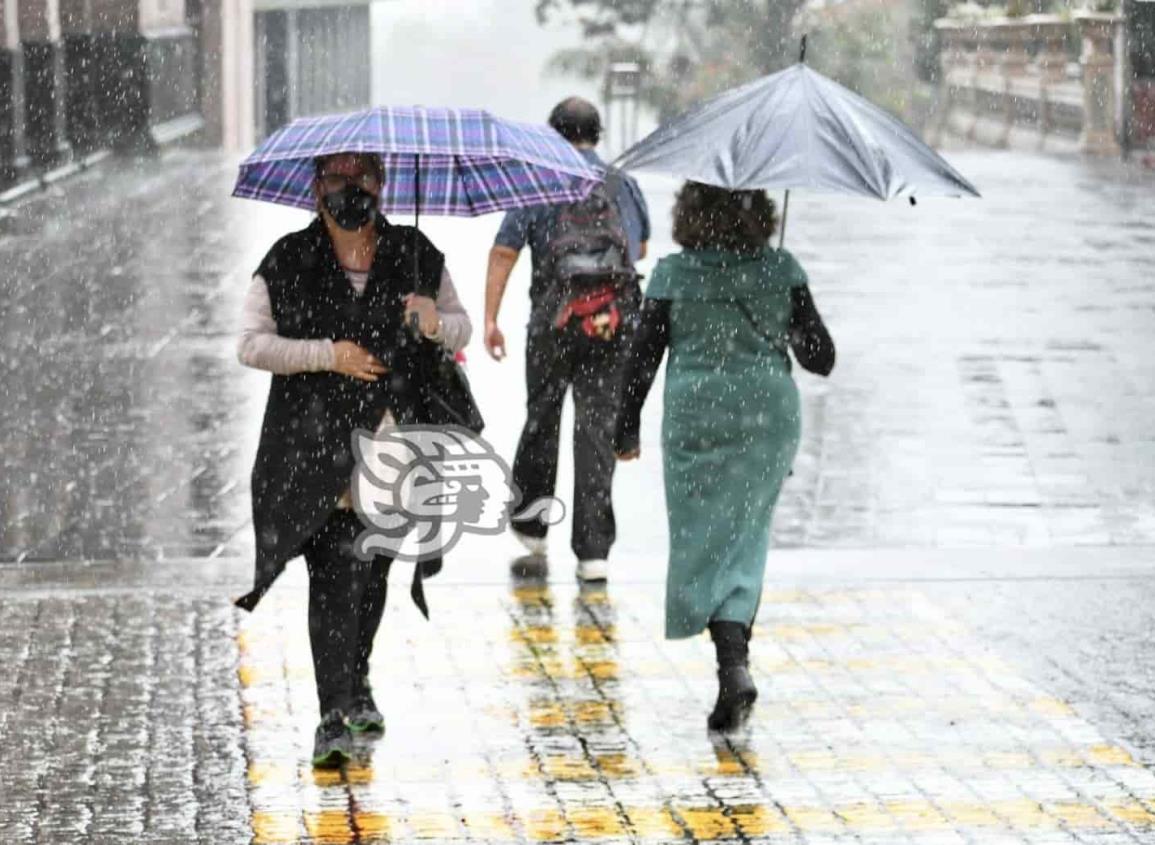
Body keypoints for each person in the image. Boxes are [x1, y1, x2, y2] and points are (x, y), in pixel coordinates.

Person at [234, 152, 471, 767]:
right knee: (333, 576)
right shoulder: (288, 261)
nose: (351, 190)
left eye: (363, 178)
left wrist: (434, 323)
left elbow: (461, 326)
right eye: (338, 179)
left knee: (373, 575)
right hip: (316, 448)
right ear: (317, 188)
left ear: (382, 184)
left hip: (394, 446)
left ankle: (357, 680)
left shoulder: (416, 254)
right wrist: (327, 354)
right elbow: (252, 345)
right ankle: (331, 714)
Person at [614, 182, 835, 732]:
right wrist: (781, 311)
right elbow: (822, 359)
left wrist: (624, 427)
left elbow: (642, 359)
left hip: (698, 419)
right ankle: (735, 662)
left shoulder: (671, 275)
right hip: (767, 417)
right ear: (759, 212)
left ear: (688, 215)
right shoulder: (782, 269)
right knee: (745, 538)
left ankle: (731, 665)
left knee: (703, 542)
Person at [483, 96, 650, 582]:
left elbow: (502, 252)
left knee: (543, 416)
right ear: (596, 134)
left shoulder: (537, 180)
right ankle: (593, 550)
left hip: (552, 322)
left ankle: (533, 526)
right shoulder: (621, 183)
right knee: (596, 427)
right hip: (611, 322)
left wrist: (492, 319)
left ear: (552, 135)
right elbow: (638, 248)